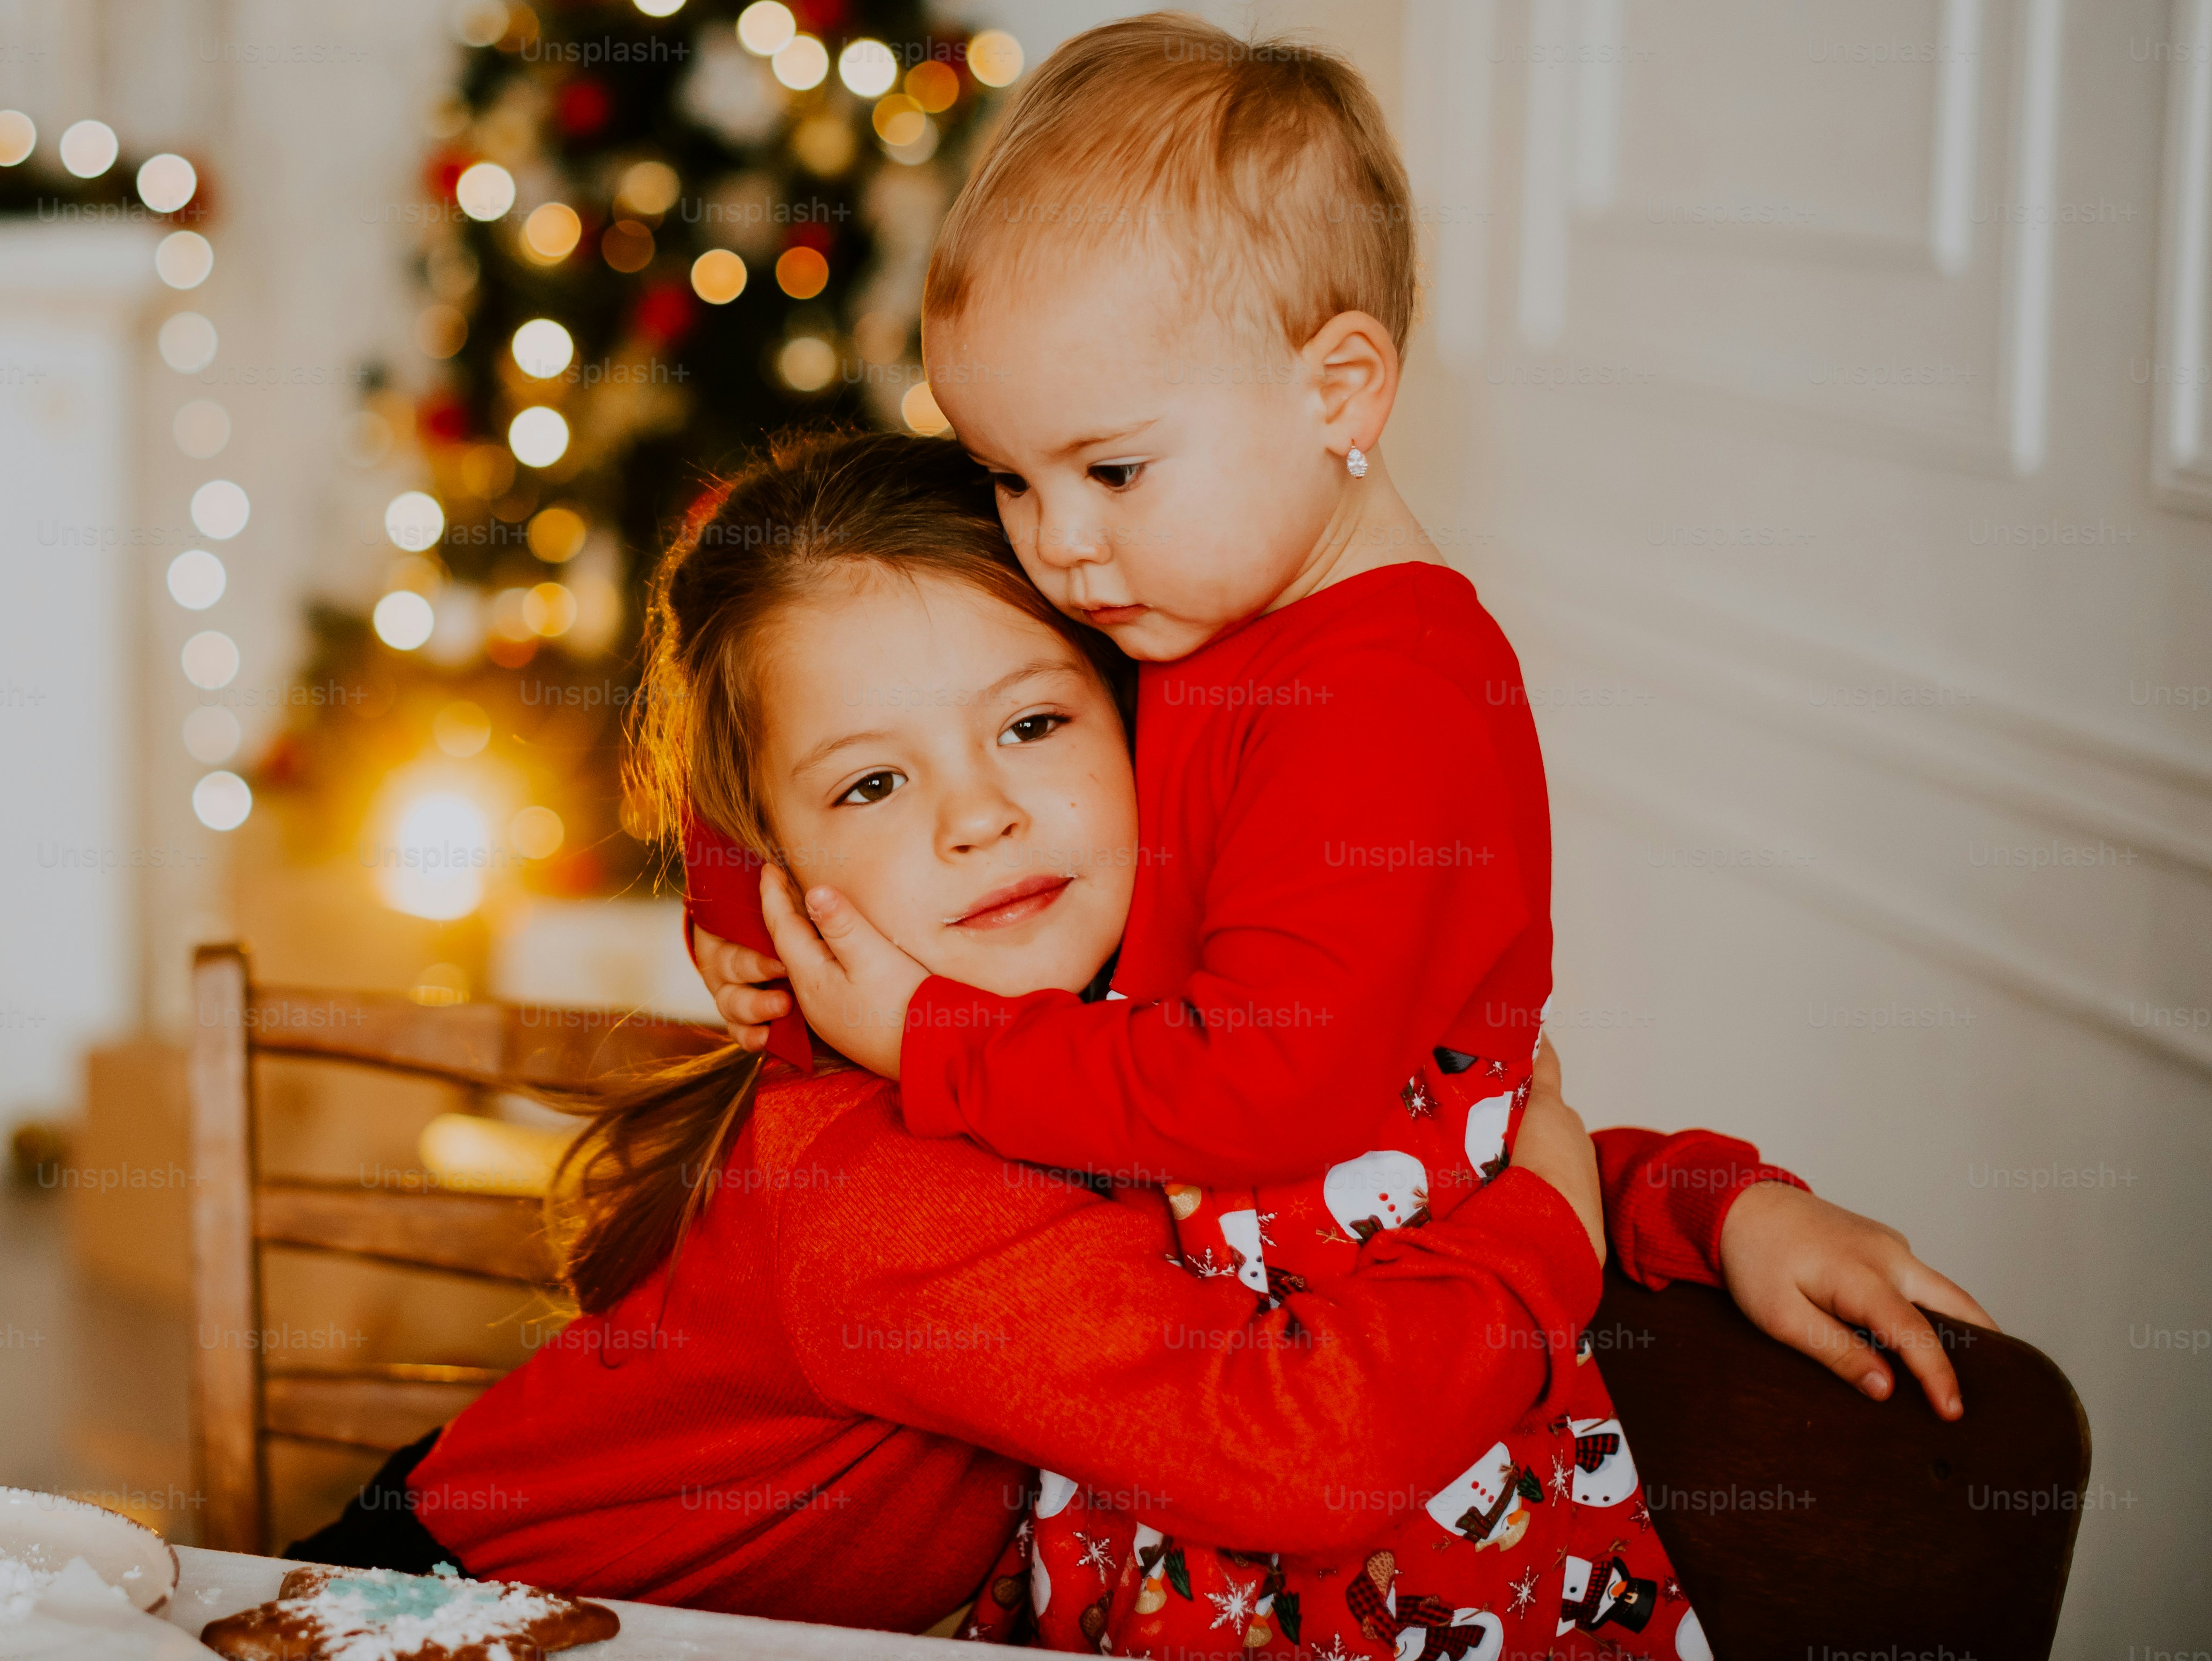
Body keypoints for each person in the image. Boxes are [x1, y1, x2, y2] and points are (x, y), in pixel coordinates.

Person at [292, 434, 1985, 1644]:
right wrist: (1551, 1233)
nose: (979, 818)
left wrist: (1710, 1205)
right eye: (873, 783)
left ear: (1147, 740)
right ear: (777, 880)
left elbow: (1380, 1162)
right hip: (458, 1623)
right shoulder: (863, 1194)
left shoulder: (1121, 1040)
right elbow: (1302, 1450)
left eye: (1033, 723)